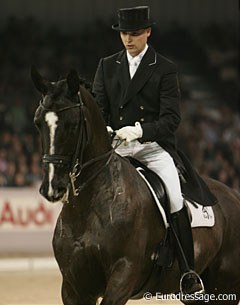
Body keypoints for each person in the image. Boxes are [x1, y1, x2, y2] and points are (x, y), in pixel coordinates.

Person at [93, 6, 204, 294]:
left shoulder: (164, 68)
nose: (128, 39)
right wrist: (103, 128)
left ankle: (188, 272)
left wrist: (142, 130)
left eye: (134, 34)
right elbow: (98, 107)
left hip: (151, 148)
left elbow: (171, 119)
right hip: (116, 148)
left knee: (175, 198)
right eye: (124, 34)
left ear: (147, 32)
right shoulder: (107, 65)